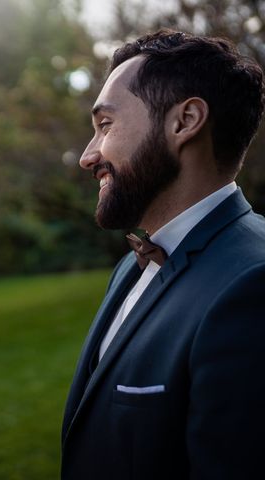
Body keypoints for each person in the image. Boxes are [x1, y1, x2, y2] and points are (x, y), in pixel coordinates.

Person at [61, 29, 265, 479]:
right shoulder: (129, 269)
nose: (88, 155)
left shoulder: (255, 284)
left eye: (105, 125)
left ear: (185, 121)